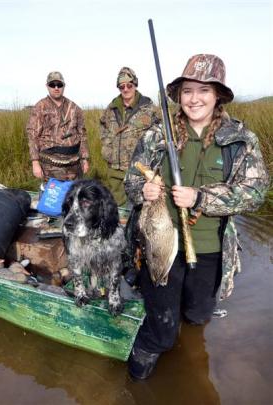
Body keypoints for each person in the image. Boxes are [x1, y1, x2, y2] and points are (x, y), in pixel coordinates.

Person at [124, 54, 270, 380]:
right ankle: (137, 374)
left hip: (210, 249)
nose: (194, 99)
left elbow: (255, 192)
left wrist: (200, 197)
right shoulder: (157, 135)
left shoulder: (241, 139)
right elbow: (131, 182)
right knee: (161, 327)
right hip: (161, 244)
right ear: (179, 95)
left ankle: (186, 363)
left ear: (218, 95)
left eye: (204, 90)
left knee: (198, 315)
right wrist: (142, 191)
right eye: (188, 90)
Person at [99, 67, 158, 205]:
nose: (125, 89)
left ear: (135, 84)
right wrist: (107, 149)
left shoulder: (148, 108)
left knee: (136, 209)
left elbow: (159, 135)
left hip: (138, 170)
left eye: (129, 85)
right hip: (115, 170)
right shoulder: (111, 108)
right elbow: (103, 126)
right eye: (121, 86)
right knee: (116, 211)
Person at [26, 71, 89, 182]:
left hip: (74, 165)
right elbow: (32, 136)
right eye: (52, 85)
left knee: (73, 196)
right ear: (47, 86)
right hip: (50, 166)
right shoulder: (40, 107)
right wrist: (35, 162)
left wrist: (84, 159)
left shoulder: (75, 108)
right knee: (52, 197)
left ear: (64, 86)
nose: (56, 88)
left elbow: (82, 134)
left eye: (59, 85)